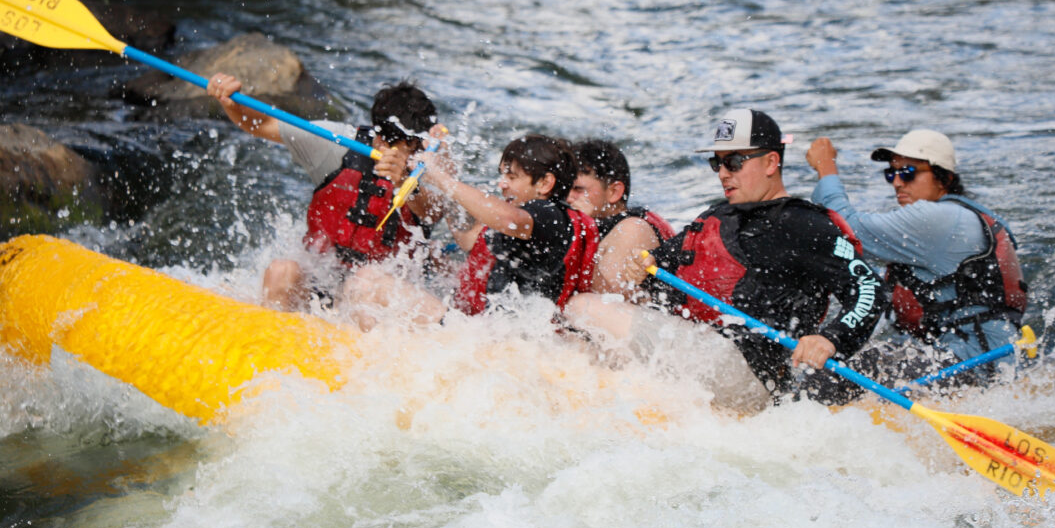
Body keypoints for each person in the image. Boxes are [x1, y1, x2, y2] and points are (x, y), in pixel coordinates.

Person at [565, 109, 884, 407]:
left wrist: (831, 339)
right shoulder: (718, 215)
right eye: (716, 163)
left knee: (584, 308)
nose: (722, 173)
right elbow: (660, 270)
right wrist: (641, 267)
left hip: (750, 371)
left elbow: (869, 288)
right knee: (584, 328)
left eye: (733, 162)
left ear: (771, 162)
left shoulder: (803, 223)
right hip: (708, 349)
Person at [206, 73, 443, 310]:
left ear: (417, 143)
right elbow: (262, 125)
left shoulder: (431, 167)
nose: (387, 147)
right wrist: (231, 102)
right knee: (280, 271)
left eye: (408, 145)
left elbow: (434, 212)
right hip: (323, 279)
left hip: (380, 293)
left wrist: (405, 182)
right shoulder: (336, 142)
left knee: (362, 283)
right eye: (384, 138)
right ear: (377, 133)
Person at [806, 128, 1027, 377]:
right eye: (891, 173)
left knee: (840, 371)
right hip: (980, 361)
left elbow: (846, 227)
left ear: (944, 179)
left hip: (974, 366)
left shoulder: (940, 220)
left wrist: (826, 169)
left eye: (908, 172)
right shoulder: (960, 216)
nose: (897, 182)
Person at [341, 133, 599, 329]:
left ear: (544, 183)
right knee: (372, 279)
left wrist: (441, 177)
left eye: (511, 177)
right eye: (502, 175)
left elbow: (508, 218)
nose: (502, 184)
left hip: (491, 340)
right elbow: (467, 236)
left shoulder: (549, 215)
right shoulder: (525, 221)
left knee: (366, 281)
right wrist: (431, 176)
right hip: (481, 333)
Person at [568, 139, 676, 296]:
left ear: (614, 192)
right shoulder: (601, 225)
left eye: (578, 189)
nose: (569, 197)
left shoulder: (632, 229)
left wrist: (579, 230)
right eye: (565, 188)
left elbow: (609, 303)